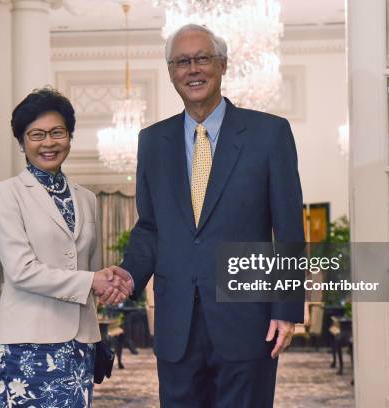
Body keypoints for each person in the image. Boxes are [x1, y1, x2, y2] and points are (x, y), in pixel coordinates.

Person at [112, 24, 305, 407]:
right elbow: (150, 226)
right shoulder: (152, 142)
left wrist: (286, 310)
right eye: (182, 62)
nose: (193, 70)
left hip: (248, 323)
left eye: (202, 59)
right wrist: (128, 276)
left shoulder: (269, 134)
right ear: (170, 72)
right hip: (176, 325)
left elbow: (288, 229)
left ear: (223, 64)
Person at [0, 87, 131, 408]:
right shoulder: (7, 194)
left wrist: (109, 282)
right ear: (22, 142)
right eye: (36, 134)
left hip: (81, 340)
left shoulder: (87, 198)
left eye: (57, 132)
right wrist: (92, 281)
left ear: (70, 136)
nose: (48, 143)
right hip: (29, 343)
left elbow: (88, 272)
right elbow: (20, 271)